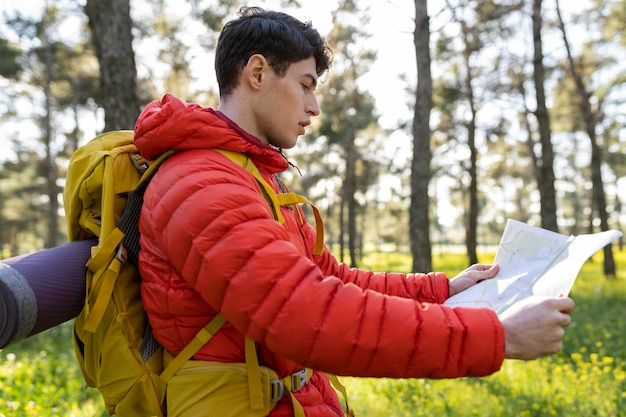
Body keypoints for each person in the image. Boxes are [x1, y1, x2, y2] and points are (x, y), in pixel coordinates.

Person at [133, 6, 574, 417]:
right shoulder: (201, 182)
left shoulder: (250, 176)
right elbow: (305, 313)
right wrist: (495, 337)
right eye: (305, 85)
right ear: (258, 72)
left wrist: (444, 290)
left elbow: (329, 276)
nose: (314, 107)